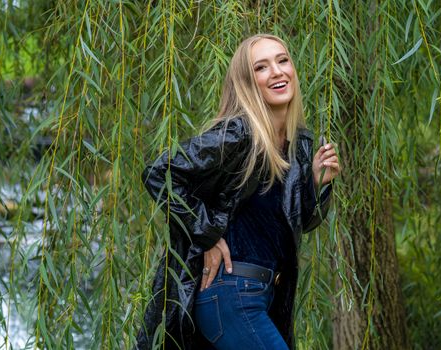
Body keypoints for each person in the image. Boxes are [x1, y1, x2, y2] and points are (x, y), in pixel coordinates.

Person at [137, 34, 341, 350]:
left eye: (283, 60)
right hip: (231, 294)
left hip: (261, 295)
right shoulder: (238, 134)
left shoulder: (295, 144)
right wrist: (208, 235)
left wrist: (315, 182)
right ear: (247, 83)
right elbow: (160, 173)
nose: (277, 71)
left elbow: (291, 226)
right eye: (261, 67)